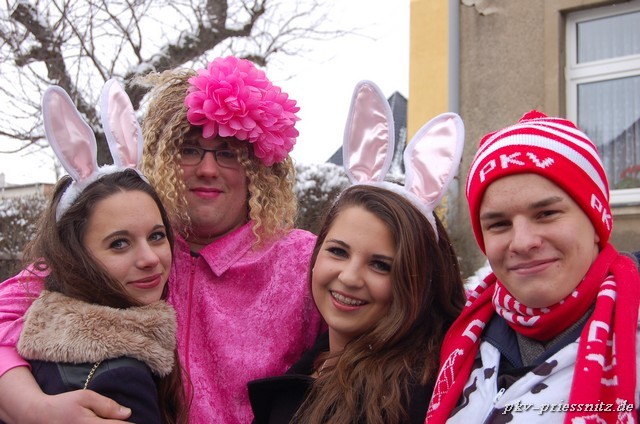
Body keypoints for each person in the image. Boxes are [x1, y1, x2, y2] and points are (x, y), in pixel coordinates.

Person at [0, 56, 324, 423]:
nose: (207, 169)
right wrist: (30, 408)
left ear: (258, 169)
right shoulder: (121, 245)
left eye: (228, 153)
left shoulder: (304, 261)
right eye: (189, 149)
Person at [248, 80, 467, 424]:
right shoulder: (313, 363)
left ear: (420, 280)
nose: (349, 277)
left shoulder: (414, 399)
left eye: (381, 265)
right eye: (338, 251)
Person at [426, 111, 640, 423]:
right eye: (499, 224)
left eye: (546, 214)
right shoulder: (457, 337)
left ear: (596, 221)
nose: (523, 242)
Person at [13, 81, 185, 423]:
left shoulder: (48, 338)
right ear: (73, 254)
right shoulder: (115, 379)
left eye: (156, 235)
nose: (150, 258)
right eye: (119, 243)